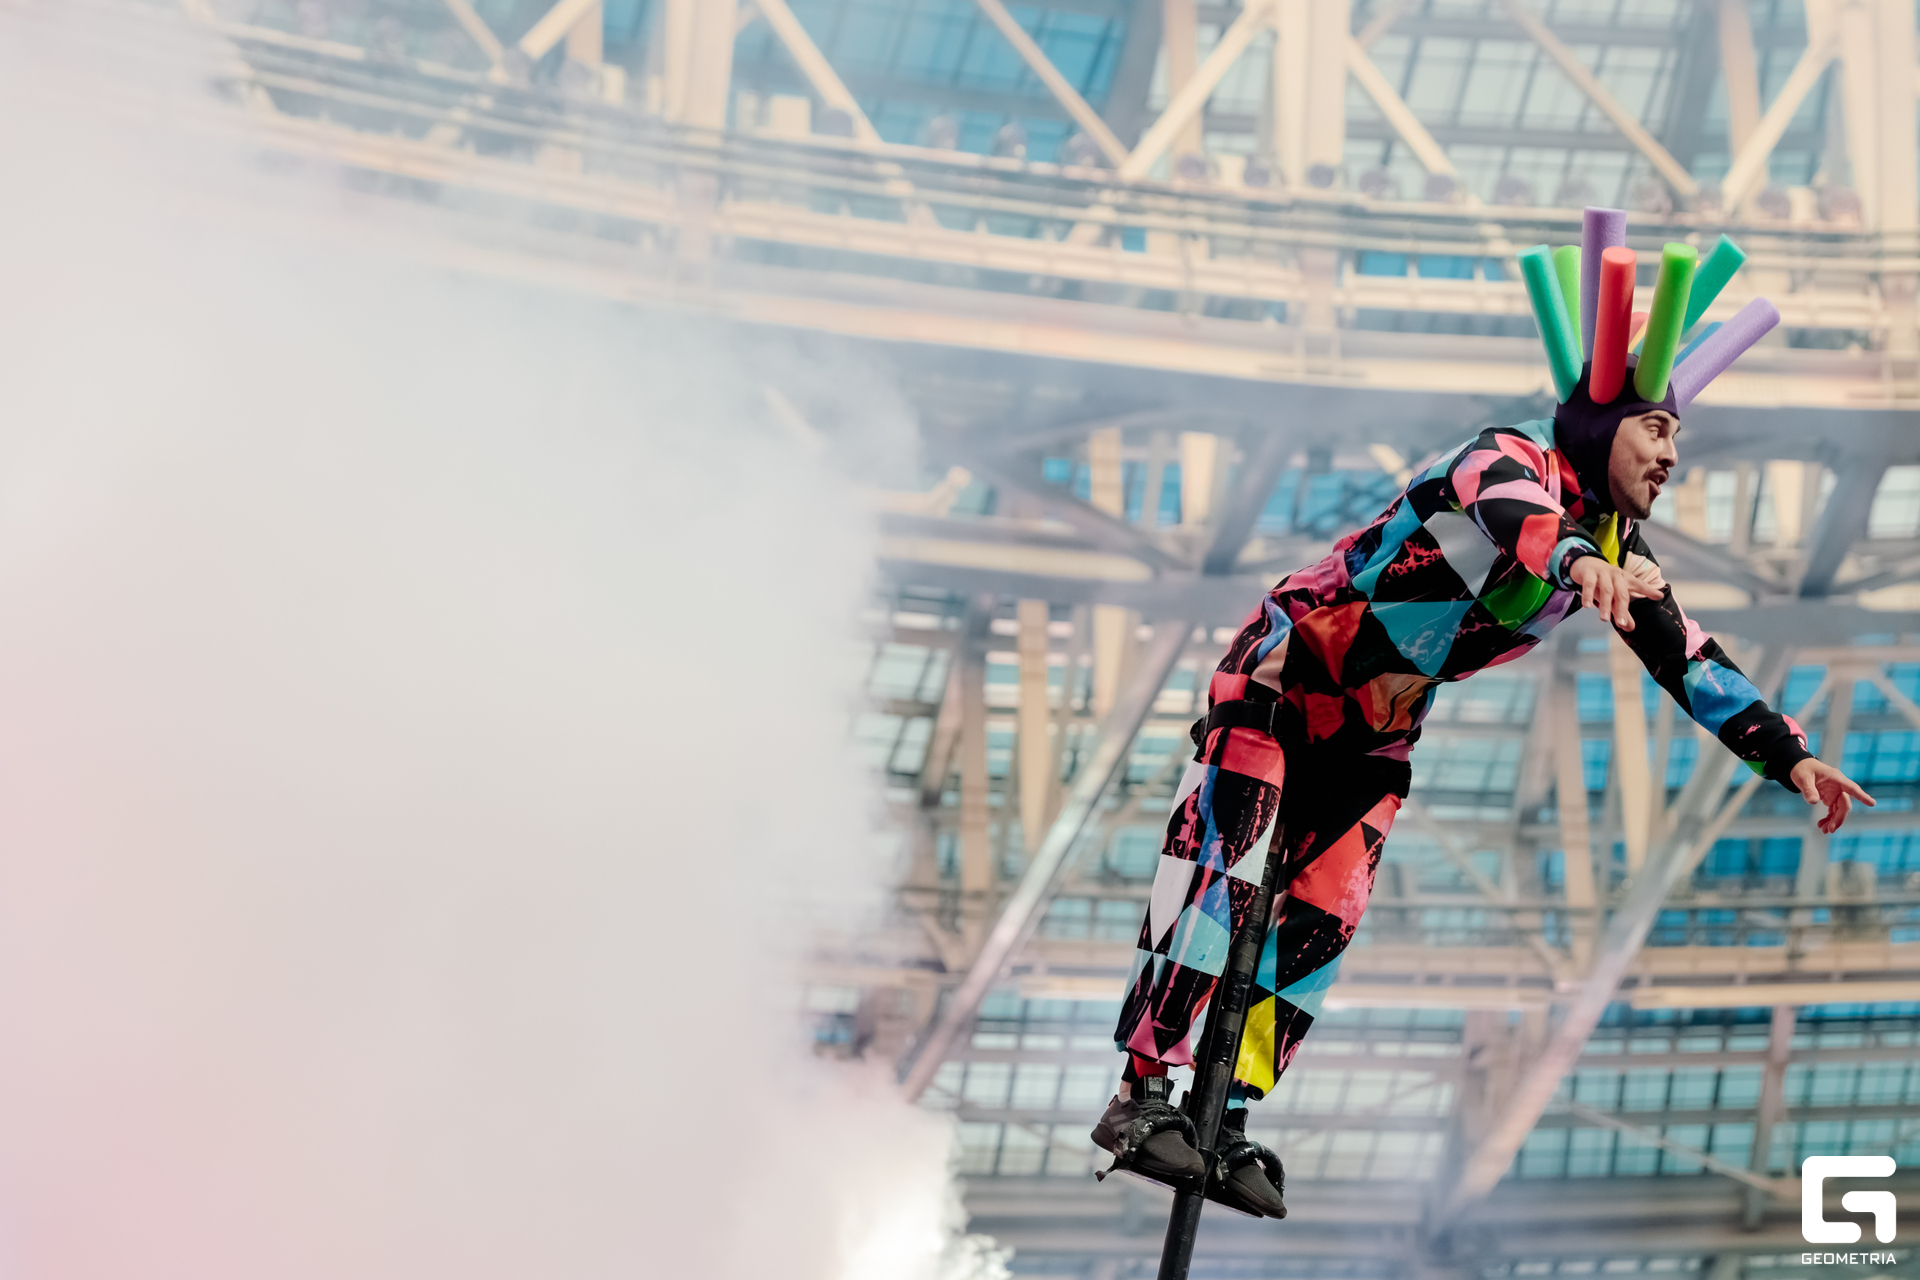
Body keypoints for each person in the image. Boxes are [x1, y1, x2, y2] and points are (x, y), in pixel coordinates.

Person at [1089, 217, 1876, 1220]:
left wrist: (1791, 757)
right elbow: (1512, 513)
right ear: (1602, 426)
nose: (1672, 454)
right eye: (1657, 428)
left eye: (1677, 435)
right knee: (1224, 871)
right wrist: (1575, 561)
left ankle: (1226, 1109)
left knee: (1325, 918)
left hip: (1377, 733)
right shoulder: (1506, 456)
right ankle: (1140, 1091)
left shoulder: (1616, 549)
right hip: (1286, 676)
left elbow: (1689, 658)